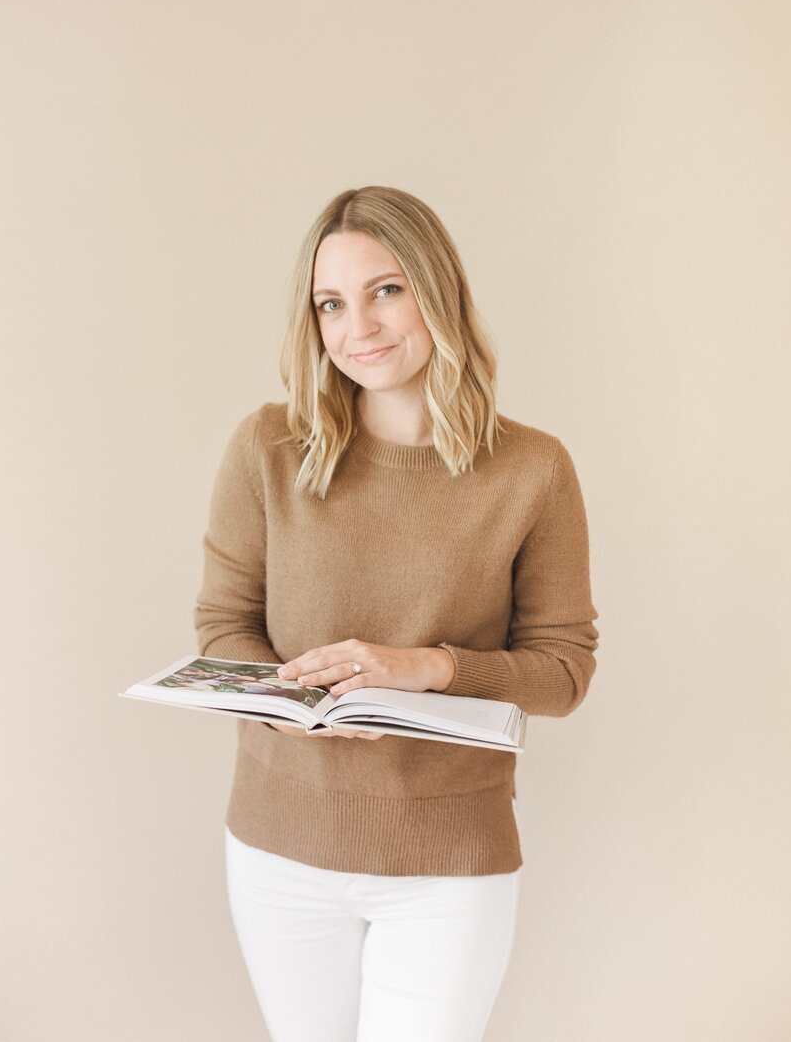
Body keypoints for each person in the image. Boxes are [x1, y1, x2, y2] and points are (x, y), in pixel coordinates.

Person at [194, 185, 599, 1042]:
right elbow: (223, 624)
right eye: (331, 304)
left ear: (435, 286)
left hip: (448, 862)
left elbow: (564, 672)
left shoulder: (534, 469)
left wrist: (425, 665)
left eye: (386, 289)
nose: (359, 328)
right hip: (279, 846)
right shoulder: (267, 448)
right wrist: (289, 704)